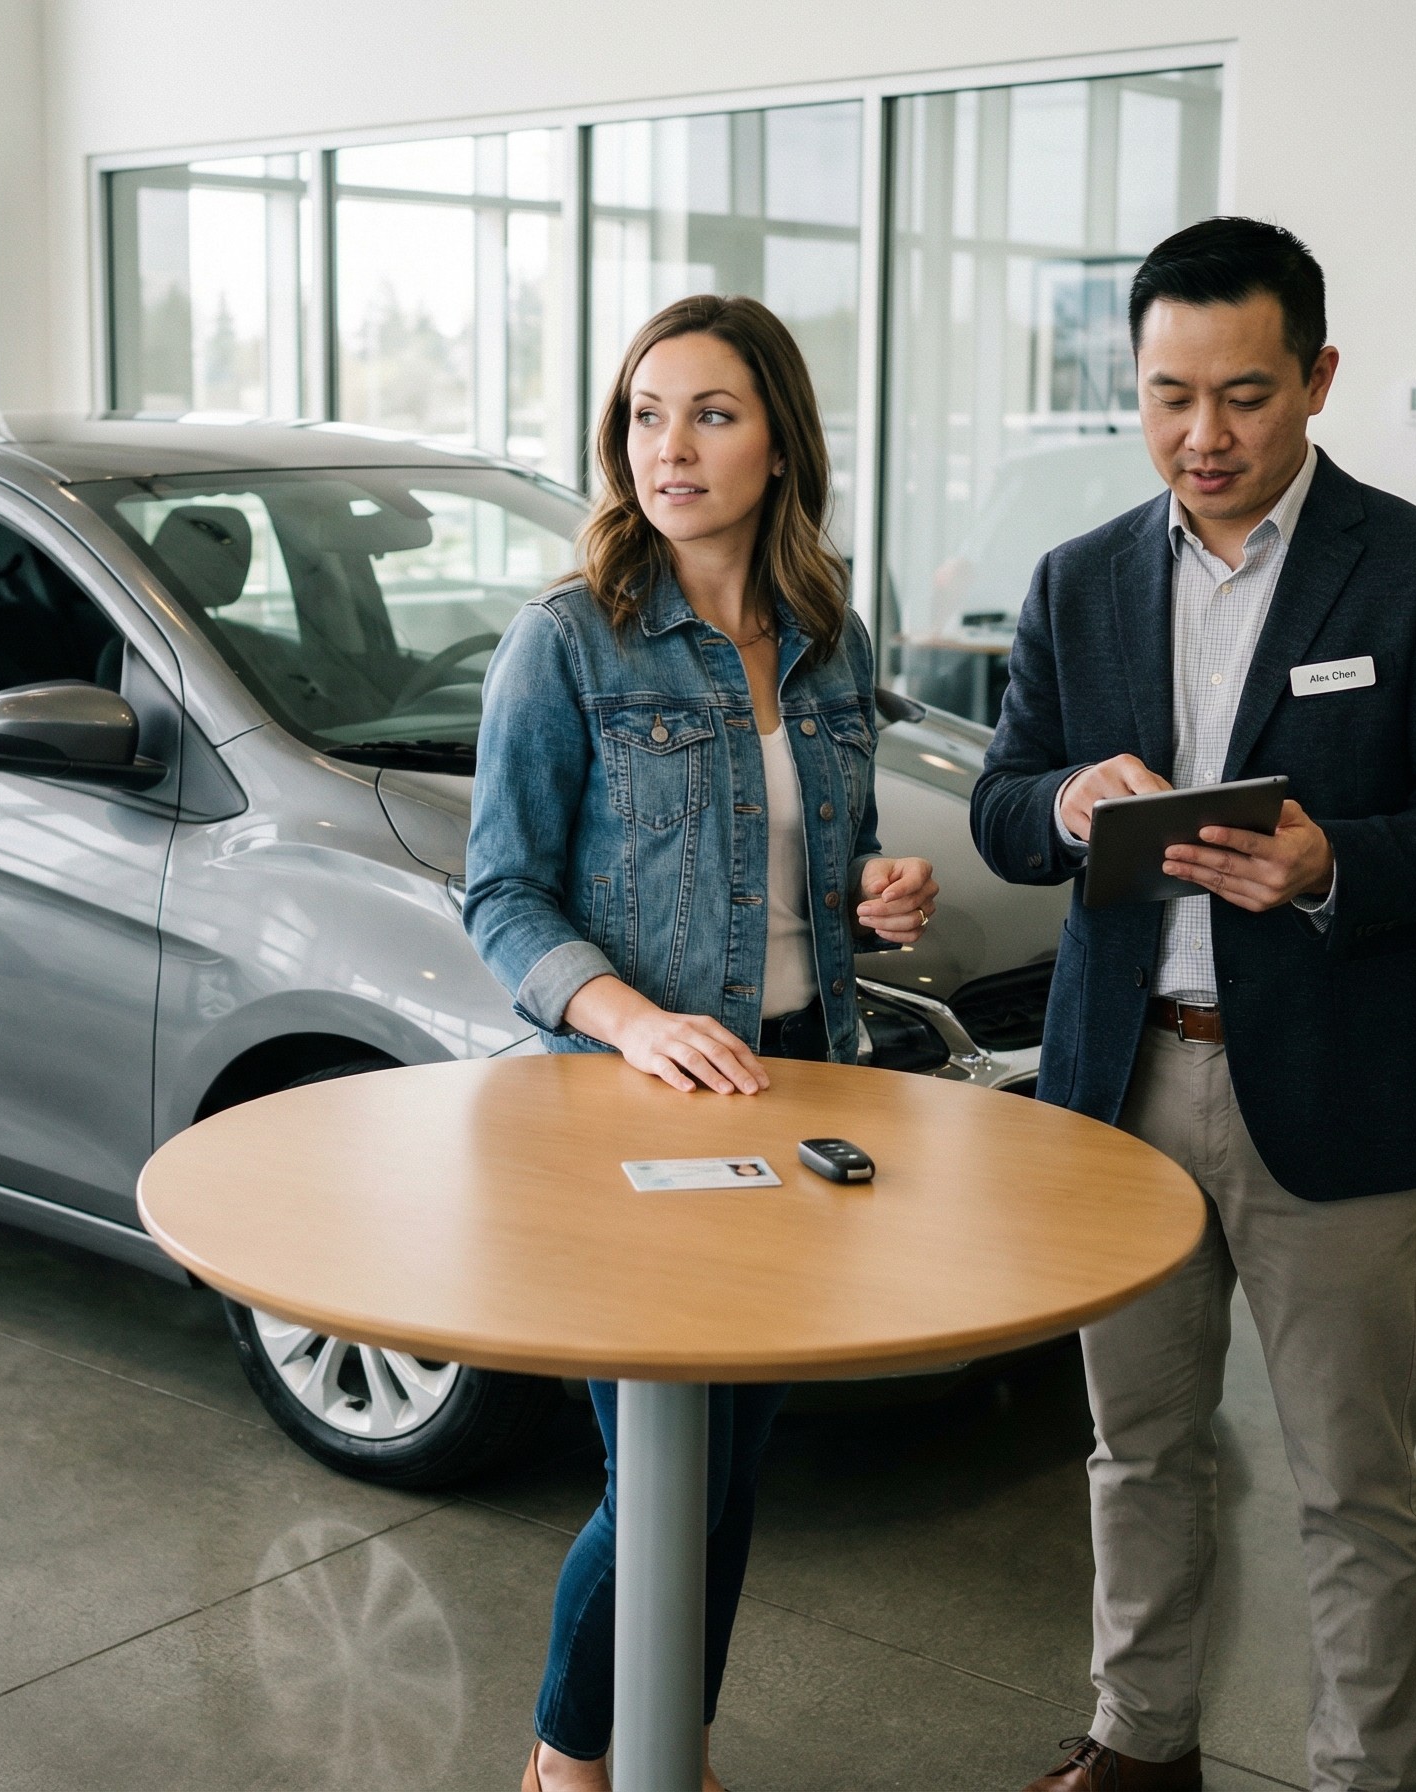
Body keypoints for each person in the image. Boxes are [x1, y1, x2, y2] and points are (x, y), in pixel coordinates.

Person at [972, 217, 1416, 1792]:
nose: (1202, 437)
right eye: (1167, 397)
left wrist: (1327, 865)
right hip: (1121, 1086)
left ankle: (1368, 1777)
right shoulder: (1078, 580)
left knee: (1354, 1483)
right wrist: (1073, 800)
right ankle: (1140, 1743)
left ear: (1319, 382)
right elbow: (1003, 805)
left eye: (1244, 396)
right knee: (1136, 1451)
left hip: (1337, 1088)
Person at [465, 292, 938, 1792]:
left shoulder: (829, 636)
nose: (670, 446)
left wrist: (877, 893)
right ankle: (571, 1760)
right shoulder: (571, 642)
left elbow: (810, 881)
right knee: (660, 1471)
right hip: (633, 1118)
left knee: (730, 1474)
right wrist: (633, 1023)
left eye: (713, 412)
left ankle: (672, 1742)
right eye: (647, 414)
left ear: (780, 440)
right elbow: (503, 898)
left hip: (803, 1094)